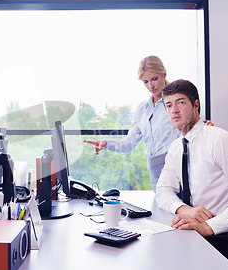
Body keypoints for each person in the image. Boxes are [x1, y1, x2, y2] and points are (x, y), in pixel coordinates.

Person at [155, 79, 228, 270]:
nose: (174, 110)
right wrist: (184, 209)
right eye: (168, 105)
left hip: (223, 235)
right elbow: (163, 190)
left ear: (196, 105)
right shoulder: (176, 147)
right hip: (193, 231)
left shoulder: (221, 141)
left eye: (181, 102)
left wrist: (206, 227)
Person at [84, 55, 211, 191]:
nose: (151, 85)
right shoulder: (142, 109)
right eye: (145, 81)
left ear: (164, 75)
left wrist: (206, 128)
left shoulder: (175, 103)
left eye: (154, 79)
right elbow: (129, 143)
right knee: (162, 205)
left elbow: (194, 127)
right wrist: (106, 143)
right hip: (153, 170)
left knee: (180, 207)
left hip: (177, 165)